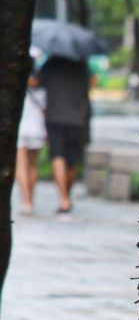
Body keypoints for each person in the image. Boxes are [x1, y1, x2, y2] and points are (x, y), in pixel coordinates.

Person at [38, 57, 91, 213]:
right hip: (77, 118)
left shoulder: (51, 62)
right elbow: (90, 84)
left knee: (58, 156)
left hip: (54, 117)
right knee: (72, 161)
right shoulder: (81, 64)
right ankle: (66, 195)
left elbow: (36, 82)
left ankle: (63, 199)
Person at [16, 71, 47, 217]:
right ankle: (31, 199)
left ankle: (26, 200)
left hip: (21, 129)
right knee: (32, 165)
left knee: (21, 165)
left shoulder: (16, 87)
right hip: (37, 130)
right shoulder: (42, 90)